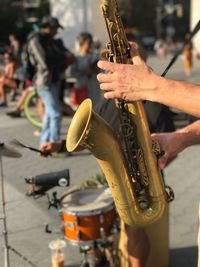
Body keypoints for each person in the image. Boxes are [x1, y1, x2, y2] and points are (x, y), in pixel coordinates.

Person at [97, 42, 200, 265]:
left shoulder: (155, 105)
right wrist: (183, 136)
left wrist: (151, 86)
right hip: (113, 175)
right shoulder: (105, 97)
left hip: (141, 179)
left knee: (134, 231)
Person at [27, 16, 74, 147]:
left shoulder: (50, 40)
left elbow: (62, 56)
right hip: (44, 82)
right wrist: (63, 57)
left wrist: (65, 56)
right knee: (56, 113)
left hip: (54, 80)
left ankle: (44, 143)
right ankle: (54, 143)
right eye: (54, 29)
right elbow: (44, 62)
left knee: (49, 114)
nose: (56, 32)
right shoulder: (35, 40)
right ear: (47, 27)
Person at [66, 32, 101, 109]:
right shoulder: (76, 57)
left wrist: (96, 69)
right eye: (88, 42)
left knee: (95, 109)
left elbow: (101, 71)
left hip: (93, 87)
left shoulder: (95, 56)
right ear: (82, 42)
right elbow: (69, 73)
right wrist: (83, 72)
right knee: (82, 110)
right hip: (82, 87)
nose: (89, 45)